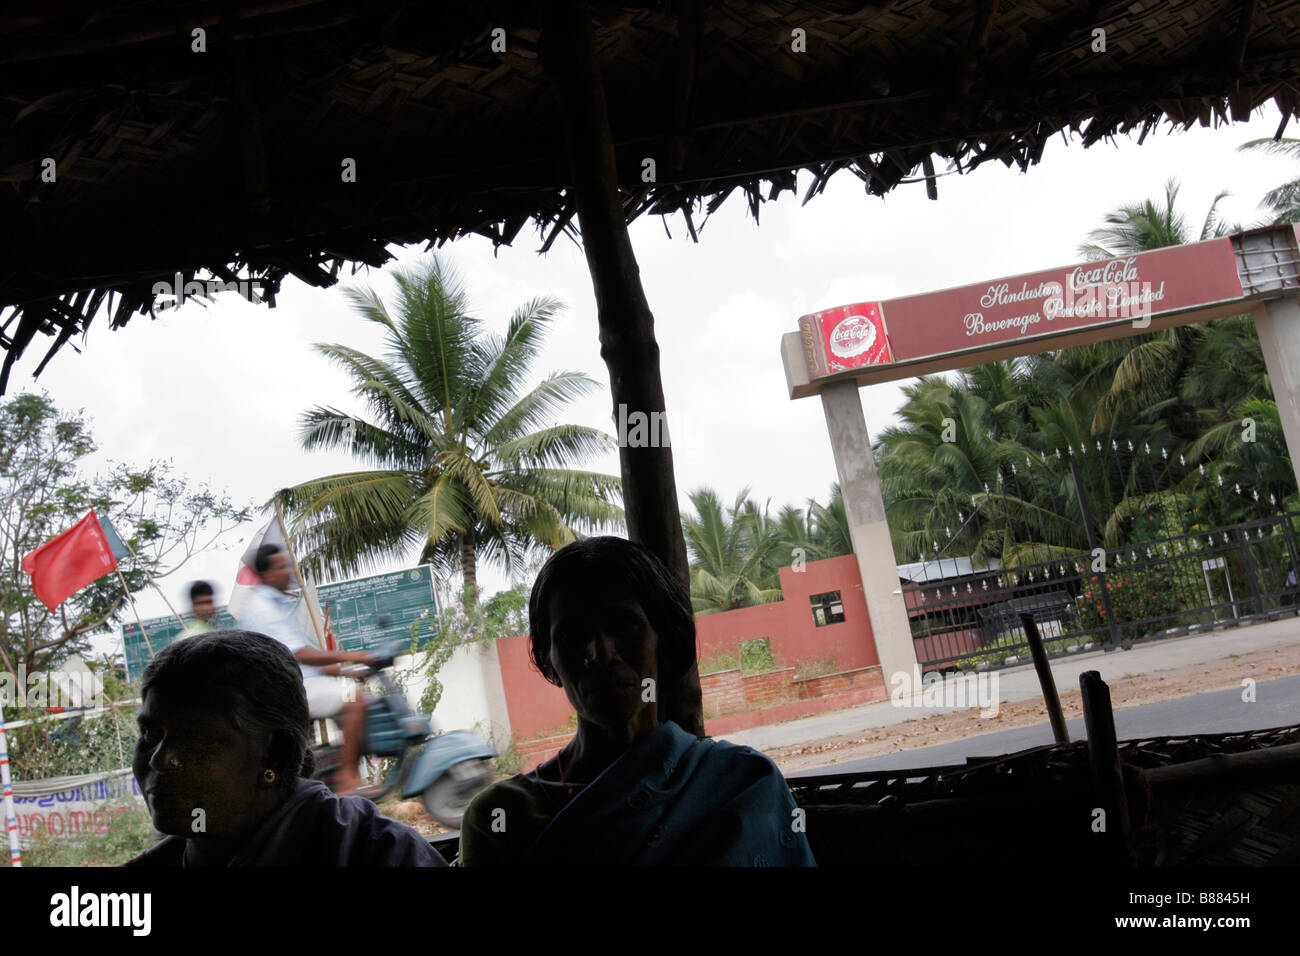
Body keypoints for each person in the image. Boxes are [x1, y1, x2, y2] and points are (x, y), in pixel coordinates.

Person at [458, 536, 816, 866]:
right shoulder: (499, 817)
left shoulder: (743, 782)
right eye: (572, 636)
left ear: (664, 640)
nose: (601, 653)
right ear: (548, 659)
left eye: (625, 626)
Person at [126, 629, 446, 866]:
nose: (159, 759)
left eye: (195, 738)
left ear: (276, 754)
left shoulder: (377, 853)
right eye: (151, 735)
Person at [237, 544, 372, 794]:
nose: (289, 572)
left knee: (352, 696)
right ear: (266, 575)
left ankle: (339, 765)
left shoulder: (274, 604)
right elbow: (300, 655)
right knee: (355, 700)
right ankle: (348, 781)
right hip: (288, 692)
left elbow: (302, 659)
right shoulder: (264, 609)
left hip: (299, 684)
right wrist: (353, 655)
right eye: (281, 567)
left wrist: (345, 671)